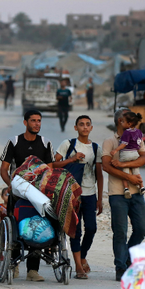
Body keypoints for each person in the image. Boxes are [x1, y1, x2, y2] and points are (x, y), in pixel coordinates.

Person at [0, 110, 54, 282]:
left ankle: (33, 270)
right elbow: (4, 168)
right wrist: (11, 185)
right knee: (16, 227)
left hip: (37, 193)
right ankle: (14, 264)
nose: (37, 124)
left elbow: (50, 169)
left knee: (37, 227)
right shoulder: (14, 142)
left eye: (39, 121)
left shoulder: (45, 143)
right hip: (18, 192)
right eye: (33, 121)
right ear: (25, 123)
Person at [53, 115, 103, 279]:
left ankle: (82, 256)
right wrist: (72, 159)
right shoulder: (68, 144)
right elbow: (54, 164)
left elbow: (99, 175)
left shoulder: (95, 148)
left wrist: (100, 198)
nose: (85, 127)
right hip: (72, 193)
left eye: (88, 124)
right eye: (81, 124)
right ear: (76, 128)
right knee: (75, 231)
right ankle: (78, 267)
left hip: (89, 194)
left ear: (91, 128)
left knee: (92, 228)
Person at [102, 108, 145, 281]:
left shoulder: (137, 136)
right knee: (120, 231)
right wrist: (129, 176)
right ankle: (121, 267)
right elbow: (106, 166)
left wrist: (123, 164)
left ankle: (128, 258)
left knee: (142, 228)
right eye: (128, 119)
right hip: (117, 193)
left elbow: (144, 159)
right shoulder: (110, 141)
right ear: (120, 121)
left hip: (137, 192)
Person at [110, 112, 145, 198]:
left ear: (129, 123)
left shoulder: (126, 132)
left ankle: (126, 189)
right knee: (136, 171)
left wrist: (116, 150)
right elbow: (140, 141)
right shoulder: (139, 132)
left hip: (126, 154)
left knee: (125, 172)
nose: (122, 123)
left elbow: (124, 143)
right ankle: (142, 187)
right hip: (135, 154)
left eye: (123, 121)